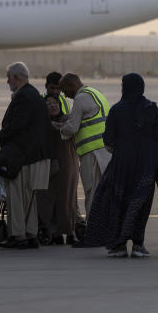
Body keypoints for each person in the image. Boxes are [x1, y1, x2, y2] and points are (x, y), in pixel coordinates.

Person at [83, 73, 158, 258]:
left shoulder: (117, 110)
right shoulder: (151, 108)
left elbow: (108, 141)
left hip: (122, 164)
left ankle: (118, 244)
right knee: (140, 202)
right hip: (146, 163)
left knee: (118, 202)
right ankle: (138, 244)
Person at [0, 62, 53, 249]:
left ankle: (18, 236)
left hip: (24, 155)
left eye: (9, 77)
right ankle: (30, 233)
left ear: (17, 77)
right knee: (28, 198)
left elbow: (17, 125)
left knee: (17, 197)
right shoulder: (33, 94)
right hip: (34, 155)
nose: (7, 81)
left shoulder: (24, 96)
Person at [56, 73, 112, 217]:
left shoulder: (80, 99)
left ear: (72, 86)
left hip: (92, 154)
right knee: (106, 195)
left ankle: (94, 234)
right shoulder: (95, 93)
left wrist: (58, 127)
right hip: (106, 152)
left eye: (64, 89)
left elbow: (72, 128)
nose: (65, 95)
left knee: (92, 194)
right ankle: (107, 231)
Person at [38, 75, 80, 244]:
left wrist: (60, 127)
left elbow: (72, 130)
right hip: (48, 165)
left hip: (66, 164)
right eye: (48, 104)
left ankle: (69, 231)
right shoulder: (43, 124)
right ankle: (54, 233)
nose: (53, 105)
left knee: (67, 199)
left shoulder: (67, 120)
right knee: (48, 199)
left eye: (54, 102)